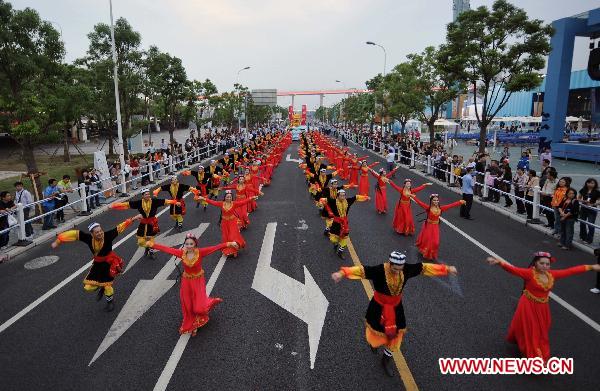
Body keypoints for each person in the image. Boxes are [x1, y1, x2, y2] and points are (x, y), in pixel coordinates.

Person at [331, 251, 458, 377]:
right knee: (376, 332)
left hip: (396, 308)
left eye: (400, 269)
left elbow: (425, 268)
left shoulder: (406, 269)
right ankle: (374, 344)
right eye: (395, 269)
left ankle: (385, 360)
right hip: (378, 307)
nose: (398, 271)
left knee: (396, 336)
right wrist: (342, 273)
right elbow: (361, 270)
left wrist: (446, 269)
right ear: (389, 264)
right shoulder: (379, 270)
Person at [486, 252, 600, 361]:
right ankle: (534, 356)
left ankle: (523, 340)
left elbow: (570, 271)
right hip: (528, 306)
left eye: (547, 264)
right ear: (535, 263)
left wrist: (591, 267)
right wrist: (499, 262)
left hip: (542, 308)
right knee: (532, 330)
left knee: (541, 330)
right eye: (542, 263)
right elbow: (513, 269)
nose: (545, 266)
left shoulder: (552, 275)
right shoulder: (529, 273)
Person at [147, 234, 239, 335]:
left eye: (191, 243)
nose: (189, 245)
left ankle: (208, 304)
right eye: (187, 244)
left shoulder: (200, 252)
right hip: (186, 282)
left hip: (198, 281)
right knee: (188, 303)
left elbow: (215, 247)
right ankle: (192, 323)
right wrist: (152, 245)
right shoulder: (182, 253)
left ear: (195, 244)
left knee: (198, 306)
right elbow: (167, 249)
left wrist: (229, 243)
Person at [51, 216, 141, 311]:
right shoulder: (88, 238)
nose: (100, 233)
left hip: (108, 263)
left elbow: (121, 226)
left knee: (107, 285)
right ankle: (101, 286)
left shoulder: (108, 235)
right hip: (97, 265)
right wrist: (59, 240)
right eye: (97, 232)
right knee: (88, 287)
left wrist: (134, 218)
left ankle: (110, 302)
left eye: (100, 231)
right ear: (92, 234)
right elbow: (74, 234)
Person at [110, 189, 179, 258]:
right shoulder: (139, 203)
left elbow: (165, 201)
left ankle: (151, 253)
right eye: (146, 194)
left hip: (152, 223)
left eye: (149, 194)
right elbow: (127, 204)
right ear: (142, 196)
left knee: (151, 239)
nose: (148, 195)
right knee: (140, 241)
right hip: (143, 223)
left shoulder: (154, 201)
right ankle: (147, 247)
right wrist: (114, 205)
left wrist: (175, 202)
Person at [197, 191, 258, 258]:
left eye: (230, 197)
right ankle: (228, 249)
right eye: (227, 197)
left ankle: (234, 250)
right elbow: (212, 202)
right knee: (226, 236)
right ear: (225, 197)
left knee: (232, 236)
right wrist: (203, 199)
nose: (228, 198)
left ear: (232, 198)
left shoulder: (234, 204)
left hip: (232, 222)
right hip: (224, 223)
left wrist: (251, 198)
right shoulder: (221, 203)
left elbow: (243, 202)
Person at [413, 194, 465, 260]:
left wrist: (459, 202)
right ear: (431, 201)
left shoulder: (440, 208)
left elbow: (450, 206)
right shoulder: (428, 208)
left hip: (435, 227)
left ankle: (431, 253)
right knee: (428, 240)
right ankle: (426, 253)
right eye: (434, 200)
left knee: (435, 242)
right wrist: (413, 197)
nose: (436, 201)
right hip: (428, 226)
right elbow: (420, 202)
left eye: (437, 200)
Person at [321, 189, 369, 259]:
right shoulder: (333, 201)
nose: (343, 197)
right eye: (341, 196)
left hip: (344, 224)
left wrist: (366, 197)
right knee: (333, 239)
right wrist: (323, 204)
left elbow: (356, 197)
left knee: (344, 238)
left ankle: (340, 252)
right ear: (337, 196)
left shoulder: (347, 201)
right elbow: (323, 200)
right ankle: (336, 244)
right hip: (336, 223)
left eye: (344, 196)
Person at [578, 178, 599, 245]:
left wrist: (593, 204)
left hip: (592, 209)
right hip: (583, 208)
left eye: (592, 183)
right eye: (589, 182)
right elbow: (578, 198)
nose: (590, 184)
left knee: (590, 224)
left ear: (595, 184)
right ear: (586, 183)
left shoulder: (597, 192)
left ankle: (589, 239)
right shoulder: (583, 190)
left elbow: (599, 201)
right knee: (582, 223)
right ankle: (582, 236)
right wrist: (583, 201)